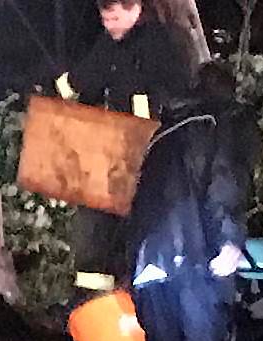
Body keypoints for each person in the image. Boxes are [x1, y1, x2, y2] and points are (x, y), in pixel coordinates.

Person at [125, 61, 262, 341]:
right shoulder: (221, 122)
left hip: (148, 267)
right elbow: (225, 181)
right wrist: (230, 241)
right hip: (192, 261)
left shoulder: (163, 131)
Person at [51, 0, 194, 310]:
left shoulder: (160, 43)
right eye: (104, 20)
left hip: (153, 154)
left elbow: (179, 97)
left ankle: (138, 306)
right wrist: (59, 88)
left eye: (114, 18)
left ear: (135, 9)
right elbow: (83, 79)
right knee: (95, 229)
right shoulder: (110, 43)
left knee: (139, 232)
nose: (109, 25)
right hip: (114, 149)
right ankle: (90, 306)